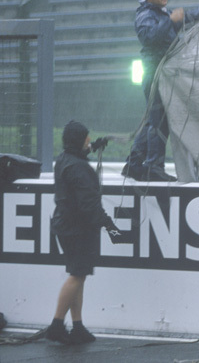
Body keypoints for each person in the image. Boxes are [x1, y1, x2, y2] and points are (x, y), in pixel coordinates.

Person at [122, 0, 199, 182]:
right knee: (159, 122)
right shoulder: (146, 15)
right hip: (155, 71)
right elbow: (149, 37)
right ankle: (153, 165)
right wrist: (170, 21)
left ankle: (134, 164)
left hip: (162, 71)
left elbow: (187, 17)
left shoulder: (162, 14)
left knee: (155, 120)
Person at [46, 121, 122, 345]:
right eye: (86, 139)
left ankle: (77, 326)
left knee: (78, 275)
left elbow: (76, 157)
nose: (89, 141)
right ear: (78, 140)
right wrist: (109, 225)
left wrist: (93, 146)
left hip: (66, 225)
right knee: (77, 276)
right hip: (77, 228)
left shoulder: (64, 159)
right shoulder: (79, 168)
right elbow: (89, 204)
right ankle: (57, 325)